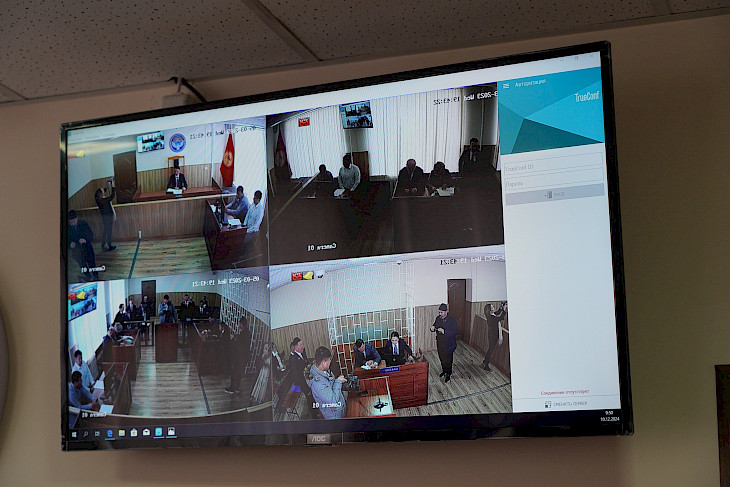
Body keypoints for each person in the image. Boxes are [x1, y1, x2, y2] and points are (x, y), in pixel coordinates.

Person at [304, 346, 346, 420]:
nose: (330, 362)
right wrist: (338, 382)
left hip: (339, 410)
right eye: (329, 360)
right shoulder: (317, 384)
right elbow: (333, 401)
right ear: (323, 362)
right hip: (335, 416)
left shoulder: (323, 370)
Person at [67, 209, 99, 281]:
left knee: (92, 264)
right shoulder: (67, 227)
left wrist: (85, 240)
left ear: (77, 218)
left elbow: (91, 234)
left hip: (87, 248)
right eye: (71, 222)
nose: (73, 223)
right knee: (82, 265)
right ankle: (88, 277)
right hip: (76, 251)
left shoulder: (83, 223)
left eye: (75, 221)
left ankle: (96, 277)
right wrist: (69, 244)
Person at [430, 303, 458, 382]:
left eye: (441, 312)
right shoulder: (438, 318)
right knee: (441, 357)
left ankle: (448, 373)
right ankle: (444, 370)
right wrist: (432, 328)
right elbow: (435, 325)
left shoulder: (452, 320)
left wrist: (444, 331)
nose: (440, 314)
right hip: (440, 342)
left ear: (446, 311)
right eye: (439, 312)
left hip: (449, 343)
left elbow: (455, 332)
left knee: (448, 359)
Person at [225, 317, 252, 394]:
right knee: (239, 373)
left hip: (239, 358)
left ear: (242, 324)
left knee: (234, 373)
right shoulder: (248, 333)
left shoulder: (243, 334)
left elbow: (239, 346)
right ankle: (237, 388)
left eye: (239, 323)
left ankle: (232, 388)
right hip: (244, 358)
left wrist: (233, 339)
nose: (238, 325)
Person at [482, 303, 506, 371]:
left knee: (490, 349)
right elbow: (501, 318)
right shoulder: (492, 318)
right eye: (492, 308)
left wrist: (501, 307)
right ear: (490, 311)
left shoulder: (490, 316)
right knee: (491, 350)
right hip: (494, 336)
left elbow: (497, 312)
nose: (494, 308)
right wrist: (504, 310)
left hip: (491, 335)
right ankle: (486, 365)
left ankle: (485, 360)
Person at [94, 179, 116, 251]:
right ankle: (109, 246)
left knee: (105, 231)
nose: (103, 190)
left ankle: (103, 244)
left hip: (104, 218)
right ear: (101, 194)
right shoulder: (104, 200)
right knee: (109, 232)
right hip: (109, 218)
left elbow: (104, 191)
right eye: (102, 190)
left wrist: (105, 188)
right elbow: (112, 196)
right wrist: (113, 186)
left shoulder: (98, 200)